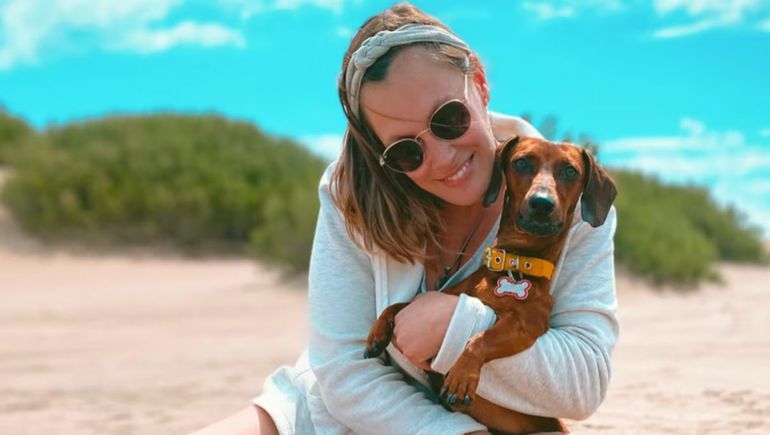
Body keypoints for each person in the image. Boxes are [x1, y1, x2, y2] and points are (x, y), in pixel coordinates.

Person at [192, 3, 618, 435]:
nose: (442, 158)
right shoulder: (352, 195)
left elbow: (582, 386)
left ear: (481, 85)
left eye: (449, 118)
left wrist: (456, 326)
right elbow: (343, 372)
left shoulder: (569, 196)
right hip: (341, 412)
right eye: (405, 152)